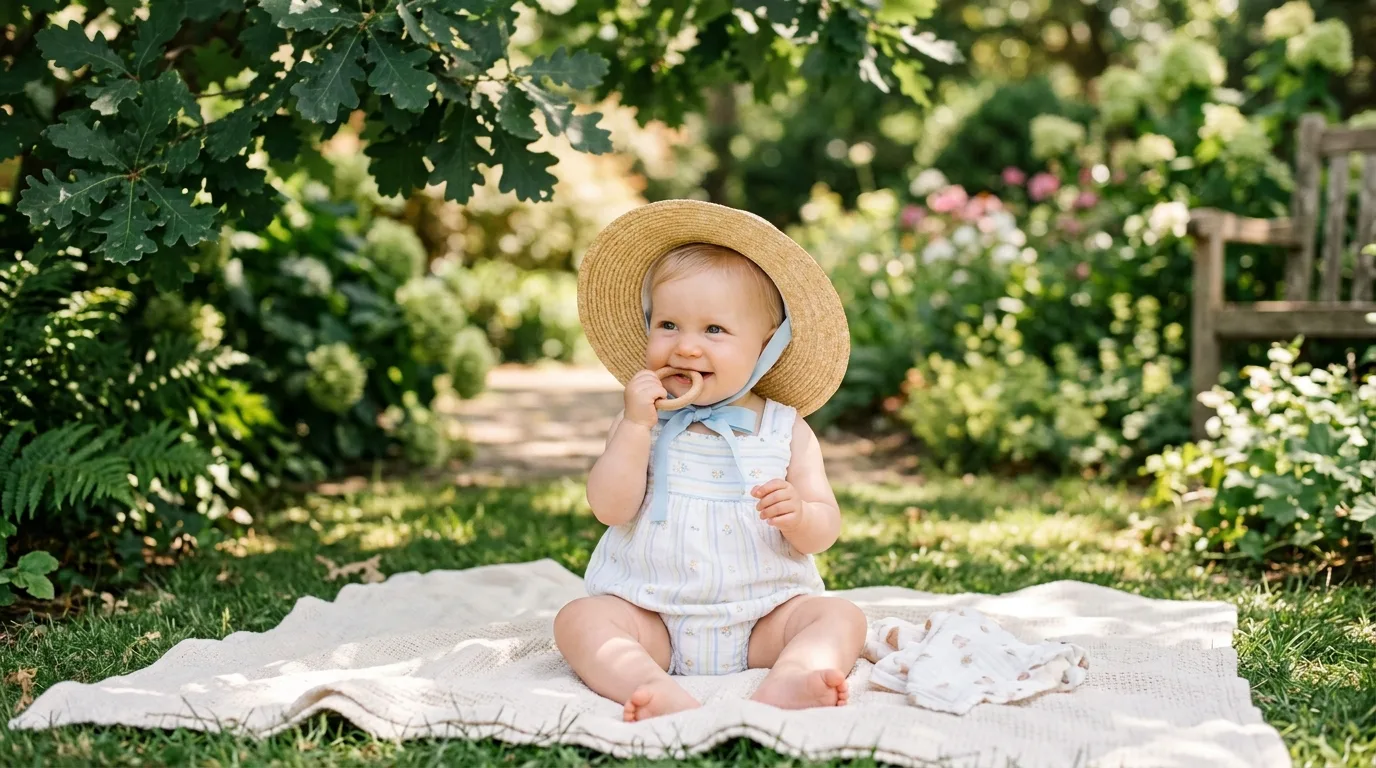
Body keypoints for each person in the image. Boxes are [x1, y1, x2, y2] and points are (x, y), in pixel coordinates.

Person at [554, 200, 867, 722]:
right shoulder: (640, 420)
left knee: (840, 616)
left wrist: (802, 516)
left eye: (714, 331)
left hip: (765, 618)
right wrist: (634, 428)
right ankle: (646, 681)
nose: (686, 348)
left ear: (766, 347)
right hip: (651, 615)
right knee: (578, 620)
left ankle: (792, 674)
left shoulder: (785, 429)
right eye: (669, 324)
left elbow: (824, 528)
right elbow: (609, 508)